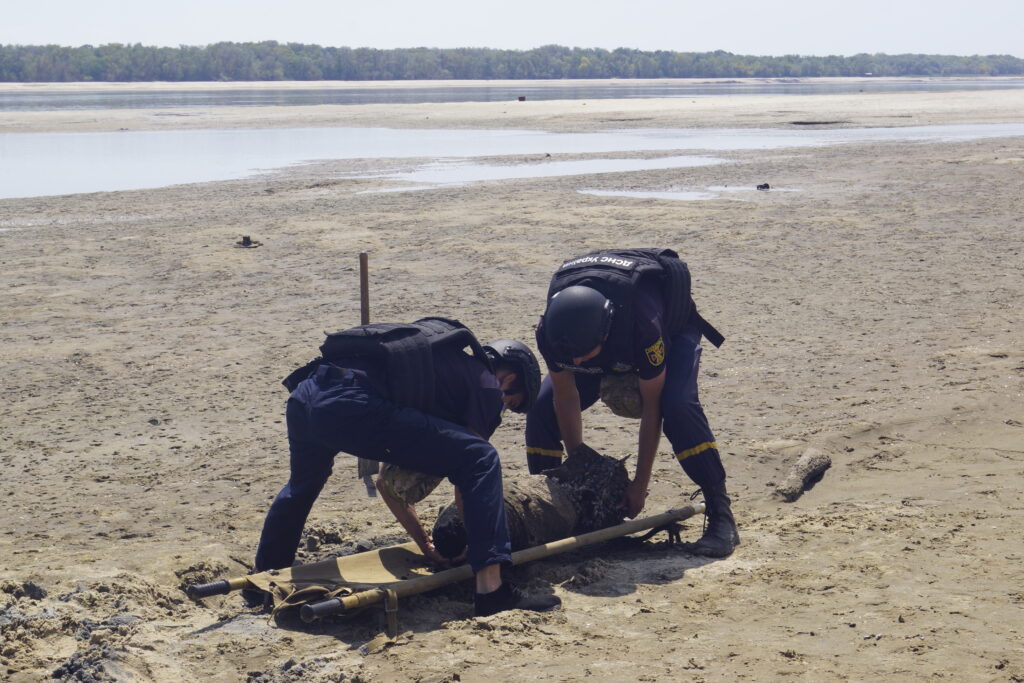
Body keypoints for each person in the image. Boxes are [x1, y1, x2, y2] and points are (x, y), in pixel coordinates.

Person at [253, 317, 558, 617]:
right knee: (483, 457)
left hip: (306, 396)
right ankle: (492, 590)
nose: (504, 407)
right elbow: (471, 478)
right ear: (509, 379)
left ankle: (261, 579)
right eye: (512, 402)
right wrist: (476, 548)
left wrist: (423, 541)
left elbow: (386, 482)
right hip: (352, 403)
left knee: (301, 487)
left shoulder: (442, 370)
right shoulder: (487, 384)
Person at [525, 248, 740, 558]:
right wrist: (579, 465)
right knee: (540, 411)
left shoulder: (644, 325)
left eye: (585, 356)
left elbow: (652, 408)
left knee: (677, 406)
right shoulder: (550, 331)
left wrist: (639, 484)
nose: (578, 362)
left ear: (606, 330)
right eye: (574, 358)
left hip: (672, 330)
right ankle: (552, 508)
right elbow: (565, 395)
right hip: (593, 341)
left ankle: (722, 515)